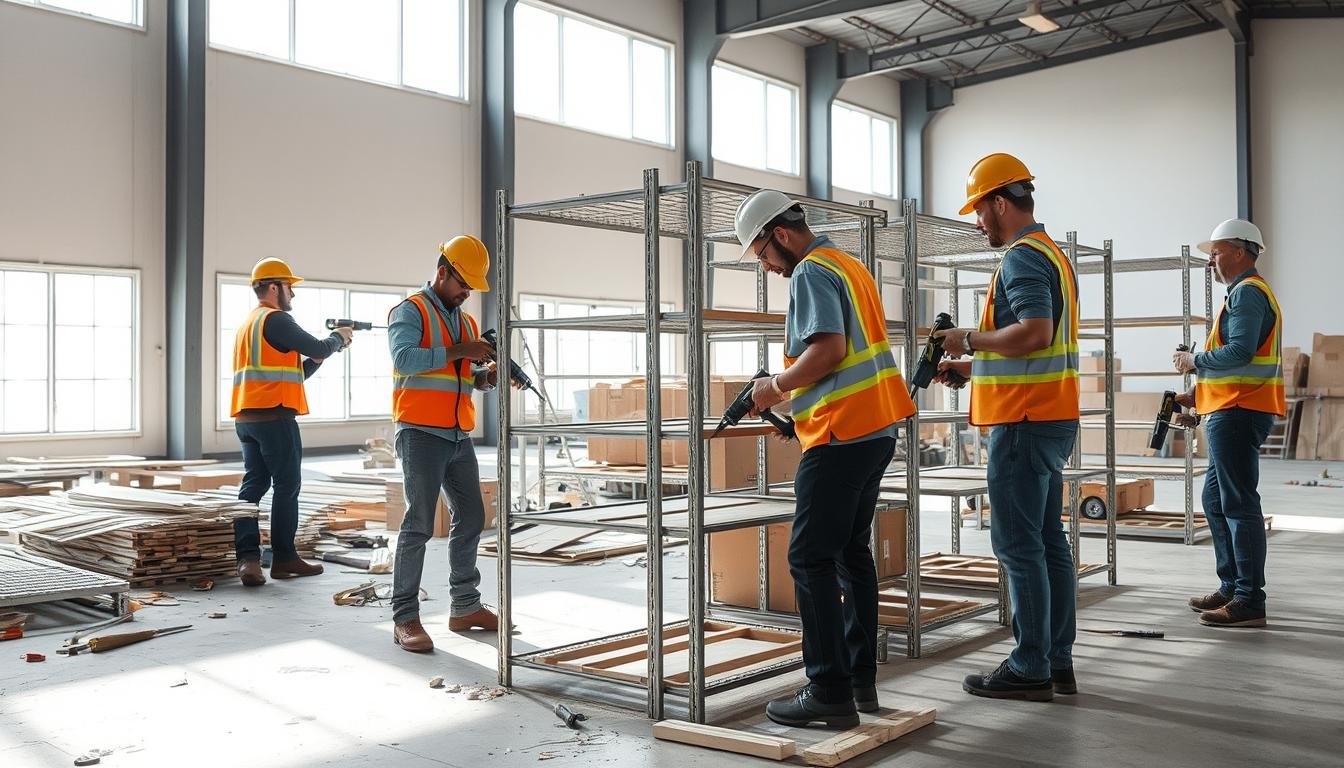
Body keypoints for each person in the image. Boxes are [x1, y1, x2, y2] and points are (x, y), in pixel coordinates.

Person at [735, 189, 916, 729]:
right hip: (873, 429)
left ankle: (828, 691)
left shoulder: (813, 270)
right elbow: (849, 361)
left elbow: (829, 350)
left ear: (781, 236)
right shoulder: (849, 265)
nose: (766, 266)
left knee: (809, 558)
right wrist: (799, 412)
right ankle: (860, 680)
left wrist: (774, 388)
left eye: (763, 254)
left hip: (842, 438)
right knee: (849, 553)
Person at [934, 153, 1080, 702]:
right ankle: (1056, 660)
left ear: (1000, 202)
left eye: (979, 210)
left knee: (1019, 545)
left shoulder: (1021, 258)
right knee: (1046, 542)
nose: (977, 222)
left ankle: (1030, 665)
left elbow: (1035, 332)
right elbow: (1034, 343)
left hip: (1023, 421)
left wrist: (967, 340)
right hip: (1049, 414)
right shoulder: (1053, 254)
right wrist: (973, 369)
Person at [388, 236, 516, 653]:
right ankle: (405, 617)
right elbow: (405, 360)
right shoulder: (410, 311)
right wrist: (463, 350)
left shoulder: (465, 321)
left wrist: (485, 379)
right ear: (442, 272)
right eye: (463, 284)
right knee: (419, 525)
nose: (467, 293)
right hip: (420, 433)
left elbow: (460, 378)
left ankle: (464, 605)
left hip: (457, 434)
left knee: (472, 517)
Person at [1172, 218, 1282, 628]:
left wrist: (1193, 361)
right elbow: (1236, 367)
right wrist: (1197, 400)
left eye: (1216, 252)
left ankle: (1250, 599)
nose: (1211, 261)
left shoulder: (1248, 295)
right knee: (1216, 501)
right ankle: (1234, 586)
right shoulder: (1241, 294)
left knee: (1237, 503)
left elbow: (1239, 352)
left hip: (1239, 412)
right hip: (1229, 409)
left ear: (1240, 251)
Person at [231, 257, 352, 586]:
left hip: (247, 418)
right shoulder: (277, 319)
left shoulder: (249, 324)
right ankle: (284, 558)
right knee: (287, 486)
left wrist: (317, 359)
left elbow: (294, 373)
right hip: (275, 418)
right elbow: (317, 345)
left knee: (252, 487)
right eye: (289, 288)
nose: (292, 295)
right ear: (273, 287)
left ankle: (248, 561)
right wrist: (338, 338)